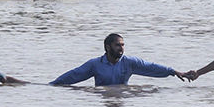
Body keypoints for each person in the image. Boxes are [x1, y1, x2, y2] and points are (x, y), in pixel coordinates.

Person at [50, 33, 186, 86]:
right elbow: (74, 75)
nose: (121, 48)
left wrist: (173, 72)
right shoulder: (95, 64)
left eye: (122, 45)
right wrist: (52, 85)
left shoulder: (130, 63)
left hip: (121, 100)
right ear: (107, 47)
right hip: (103, 99)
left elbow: (151, 67)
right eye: (117, 45)